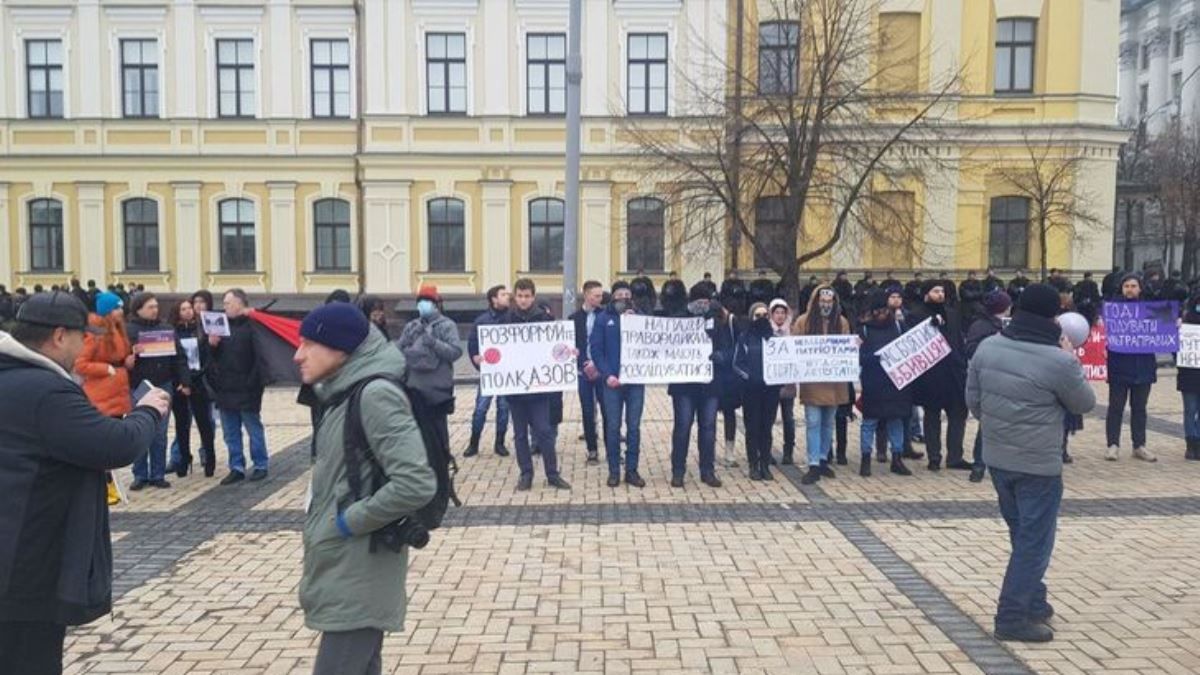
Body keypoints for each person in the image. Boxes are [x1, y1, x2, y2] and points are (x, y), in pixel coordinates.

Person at [0, 291, 170, 672]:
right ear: (60, 336)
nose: (84, 346)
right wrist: (148, 412)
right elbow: (114, 445)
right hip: (26, 567)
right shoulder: (45, 390)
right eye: (82, 337)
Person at [294, 303, 437, 675]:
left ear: (340, 349)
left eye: (308, 343)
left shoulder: (374, 395)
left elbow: (415, 483)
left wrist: (349, 521)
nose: (297, 354)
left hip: (359, 565)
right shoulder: (342, 394)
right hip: (344, 564)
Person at [966, 283, 1096, 643]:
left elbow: (974, 402)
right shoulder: (1058, 360)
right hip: (1038, 464)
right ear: (1053, 317)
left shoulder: (989, 347)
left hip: (998, 459)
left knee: (1022, 534)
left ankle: (1034, 601)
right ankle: (1011, 616)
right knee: (1035, 542)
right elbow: (1084, 403)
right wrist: (1073, 359)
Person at [502, 279, 570, 491]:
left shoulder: (545, 319)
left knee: (544, 431)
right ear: (515, 297)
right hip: (515, 389)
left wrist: (568, 353)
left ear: (533, 296)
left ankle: (552, 474)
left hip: (539, 389)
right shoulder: (506, 321)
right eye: (520, 296)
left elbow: (556, 348)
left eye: (527, 296)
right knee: (520, 434)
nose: (523, 300)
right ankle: (526, 474)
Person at [124, 292, 190, 490]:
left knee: (160, 432)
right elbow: (118, 357)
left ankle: (158, 474)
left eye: (155, 306)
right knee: (139, 430)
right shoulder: (128, 330)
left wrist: (184, 381)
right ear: (138, 309)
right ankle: (140, 474)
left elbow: (179, 358)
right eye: (150, 307)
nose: (155, 310)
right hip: (138, 386)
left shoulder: (166, 329)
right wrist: (128, 359)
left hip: (163, 384)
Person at [792, 286, 853, 484]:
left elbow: (847, 349)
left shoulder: (841, 322)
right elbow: (794, 347)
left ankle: (823, 458)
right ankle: (813, 463)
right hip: (813, 382)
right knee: (813, 422)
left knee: (828, 423)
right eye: (823, 301)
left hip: (834, 383)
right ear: (815, 301)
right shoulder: (804, 321)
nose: (826, 305)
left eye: (829, 301)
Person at [666, 284, 724, 488]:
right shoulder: (678, 319)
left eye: (707, 301)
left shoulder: (716, 320)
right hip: (684, 385)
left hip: (709, 385)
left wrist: (721, 356)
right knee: (682, 427)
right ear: (692, 301)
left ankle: (707, 471)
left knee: (708, 428)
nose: (704, 305)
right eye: (701, 301)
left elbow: (726, 345)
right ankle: (678, 471)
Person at [909, 279, 970, 471]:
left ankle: (955, 456)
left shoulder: (952, 314)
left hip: (954, 373)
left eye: (942, 291)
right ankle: (934, 457)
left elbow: (959, 341)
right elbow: (912, 343)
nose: (940, 295)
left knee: (958, 415)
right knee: (932, 417)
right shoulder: (916, 315)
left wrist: (961, 363)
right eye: (936, 291)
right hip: (932, 376)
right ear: (927, 294)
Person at [209, 288, 270, 484]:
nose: (224, 306)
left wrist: (253, 381)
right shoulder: (220, 326)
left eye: (228, 303)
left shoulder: (253, 325)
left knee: (253, 427)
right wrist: (212, 345)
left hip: (248, 386)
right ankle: (236, 467)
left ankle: (260, 464)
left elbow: (261, 357)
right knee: (230, 431)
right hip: (225, 387)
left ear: (239, 304)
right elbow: (211, 359)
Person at [397, 285, 461, 466]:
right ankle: (420, 463)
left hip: (437, 389)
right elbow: (398, 352)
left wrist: (433, 343)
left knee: (438, 429)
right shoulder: (412, 326)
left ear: (436, 304)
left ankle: (442, 461)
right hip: (414, 387)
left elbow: (455, 352)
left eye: (427, 302)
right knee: (416, 429)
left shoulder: (447, 326)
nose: (423, 305)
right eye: (420, 302)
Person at [591, 281, 648, 488]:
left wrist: (636, 323)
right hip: (612, 383)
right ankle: (613, 470)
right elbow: (596, 350)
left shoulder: (640, 317)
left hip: (635, 382)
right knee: (613, 427)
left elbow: (651, 346)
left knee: (634, 427)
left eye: (627, 294)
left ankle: (631, 470)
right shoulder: (603, 319)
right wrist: (607, 375)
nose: (623, 297)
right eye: (619, 294)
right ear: (613, 297)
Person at [857, 289, 915, 477]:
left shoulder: (899, 327)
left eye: (884, 310)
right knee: (869, 423)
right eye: (878, 310)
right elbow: (857, 356)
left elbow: (913, 346)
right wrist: (876, 358)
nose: (882, 313)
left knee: (895, 421)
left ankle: (897, 458)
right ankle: (866, 459)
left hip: (896, 384)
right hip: (873, 383)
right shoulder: (864, 330)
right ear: (873, 312)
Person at [1104, 273, 1158, 462]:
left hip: (1143, 366)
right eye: (1126, 286)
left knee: (1140, 408)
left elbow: (1164, 329)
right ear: (1121, 288)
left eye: (1133, 286)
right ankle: (1113, 445)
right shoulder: (1113, 309)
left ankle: (1139, 445)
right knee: (1116, 407)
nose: (1130, 289)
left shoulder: (1151, 309)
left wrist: (1174, 324)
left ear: (1140, 288)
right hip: (1119, 366)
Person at [964, 290, 1013, 483]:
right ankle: (979, 464)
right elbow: (971, 350)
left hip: (1006, 378)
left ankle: (995, 463)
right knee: (987, 424)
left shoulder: (1007, 325)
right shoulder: (982, 326)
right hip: (990, 379)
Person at [167, 298, 217, 478]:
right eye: (183, 309)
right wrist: (182, 381)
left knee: (204, 423)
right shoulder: (172, 332)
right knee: (182, 424)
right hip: (179, 383)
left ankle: (210, 459)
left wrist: (193, 378)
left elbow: (207, 358)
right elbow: (172, 360)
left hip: (198, 380)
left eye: (189, 308)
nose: (188, 311)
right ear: (177, 312)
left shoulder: (201, 330)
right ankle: (183, 458)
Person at [734, 302, 780, 480]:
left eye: (765, 315)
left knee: (766, 428)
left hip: (770, 391)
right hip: (751, 391)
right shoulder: (744, 338)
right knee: (752, 428)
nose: (761, 319)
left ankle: (765, 464)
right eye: (757, 315)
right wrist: (749, 377)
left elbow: (784, 362)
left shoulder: (775, 339)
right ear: (752, 317)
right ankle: (753, 464)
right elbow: (737, 363)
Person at [465, 285, 512, 458]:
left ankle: (499, 443)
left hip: (506, 373)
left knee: (504, 408)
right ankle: (473, 443)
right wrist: (476, 359)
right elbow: (472, 344)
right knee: (481, 408)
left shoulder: (512, 318)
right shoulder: (482, 320)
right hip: (489, 373)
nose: (508, 296)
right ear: (494, 299)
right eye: (503, 294)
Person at [569, 280, 606, 464]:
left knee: (608, 410)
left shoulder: (606, 316)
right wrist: (584, 362)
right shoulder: (574, 319)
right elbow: (572, 345)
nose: (600, 298)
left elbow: (609, 344)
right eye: (596, 295)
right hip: (583, 372)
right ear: (586, 295)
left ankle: (612, 448)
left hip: (602, 371)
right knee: (587, 410)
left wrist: (598, 364)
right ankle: (592, 449)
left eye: (601, 295)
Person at [770, 299, 798, 465]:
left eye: (782, 312)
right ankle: (768, 450)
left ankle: (789, 451)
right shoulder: (767, 331)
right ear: (772, 314)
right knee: (770, 418)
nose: (780, 316)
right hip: (772, 383)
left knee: (788, 417)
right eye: (777, 313)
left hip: (788, 382)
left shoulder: (792, 332)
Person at [1180, 292, 1200, 461]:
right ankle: (1191, 443)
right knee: (1190, 410)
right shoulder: (1184, 326)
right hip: (1189, 372)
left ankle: (1196, 443)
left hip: (1188, 373)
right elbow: (1174, 349)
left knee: (1193, 410)